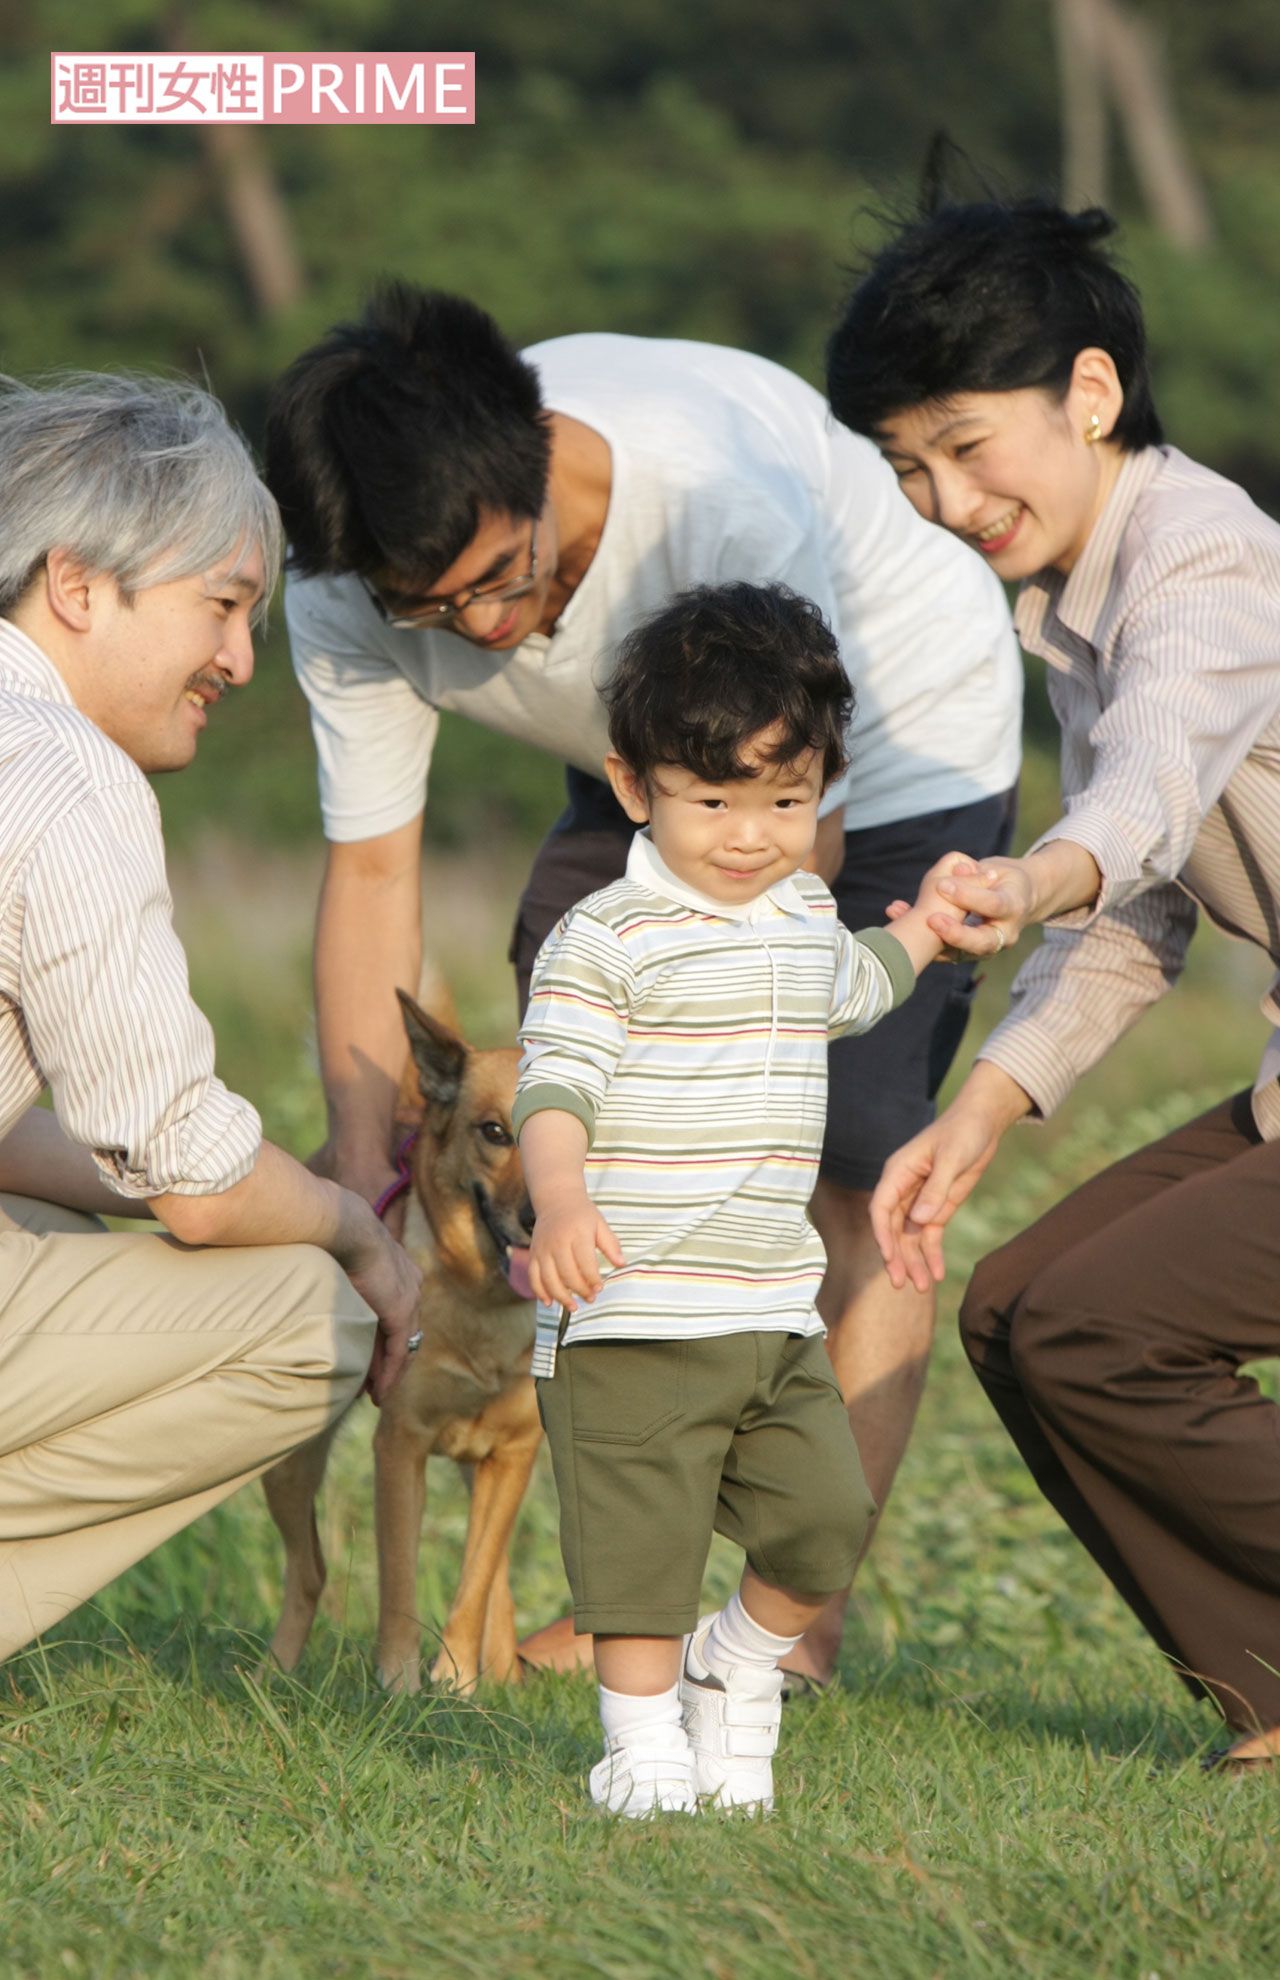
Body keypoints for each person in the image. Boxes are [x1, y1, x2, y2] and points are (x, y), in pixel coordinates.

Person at [265, 286, 1022, 1681]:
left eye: (502, 579)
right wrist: (370, 1174)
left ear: (541, 460)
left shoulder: (712, 492)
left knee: (845, 1161)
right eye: (428, 609)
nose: (479, 631)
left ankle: (790, 1631)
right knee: (558, 1138)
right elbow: (371, 875)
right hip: (643, 761)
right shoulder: (345, 585)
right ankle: (624, 1588)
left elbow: (788, 838)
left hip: (880, 760)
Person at [828, 197, 1280, 1766]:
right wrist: (978, 1116)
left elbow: (1142, 796)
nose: (947, 501)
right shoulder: (1080, 604)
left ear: (1091, 393)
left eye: (966, 445)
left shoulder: (1204, 559)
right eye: (908, 467)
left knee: (1099, 1327)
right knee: (1019, 1313)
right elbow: (1137, 916)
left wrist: (1025, 879)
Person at [514, 582, 967, 1813]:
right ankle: (641, 1749)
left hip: (769, 1308)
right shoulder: (605, 937)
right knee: (639, 1557)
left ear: (822, 788)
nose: (749, 835)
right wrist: (560, 1203)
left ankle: (736, 1663)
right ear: (633, 787)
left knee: (824, 1520)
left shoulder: (801, 912)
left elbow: (855, 984)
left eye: (784, 800)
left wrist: (927, 930)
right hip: (630, 1305)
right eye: (711, 800)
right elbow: (553, 1088)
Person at [0, 374, 422, 1663]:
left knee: (65, 1216)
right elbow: (191, 1180)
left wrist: (241, 1181)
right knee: (312, 1311)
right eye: (222, 605)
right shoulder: (60, 771)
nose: (240, 660)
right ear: (78, 586)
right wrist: (355, 1227)